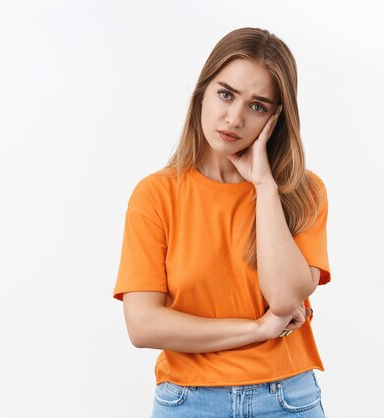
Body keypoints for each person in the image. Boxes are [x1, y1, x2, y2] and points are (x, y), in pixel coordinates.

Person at [112, 27, 331, 417]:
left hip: (287, 400)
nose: (234, 117)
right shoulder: (156, 195)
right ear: (203, 90)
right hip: (188, 401)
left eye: (257, 106)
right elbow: (143, 326)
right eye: (226, 94)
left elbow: (284, 298)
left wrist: (264, 185)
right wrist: (258, 330)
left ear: (276, 118)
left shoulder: (302, 192)